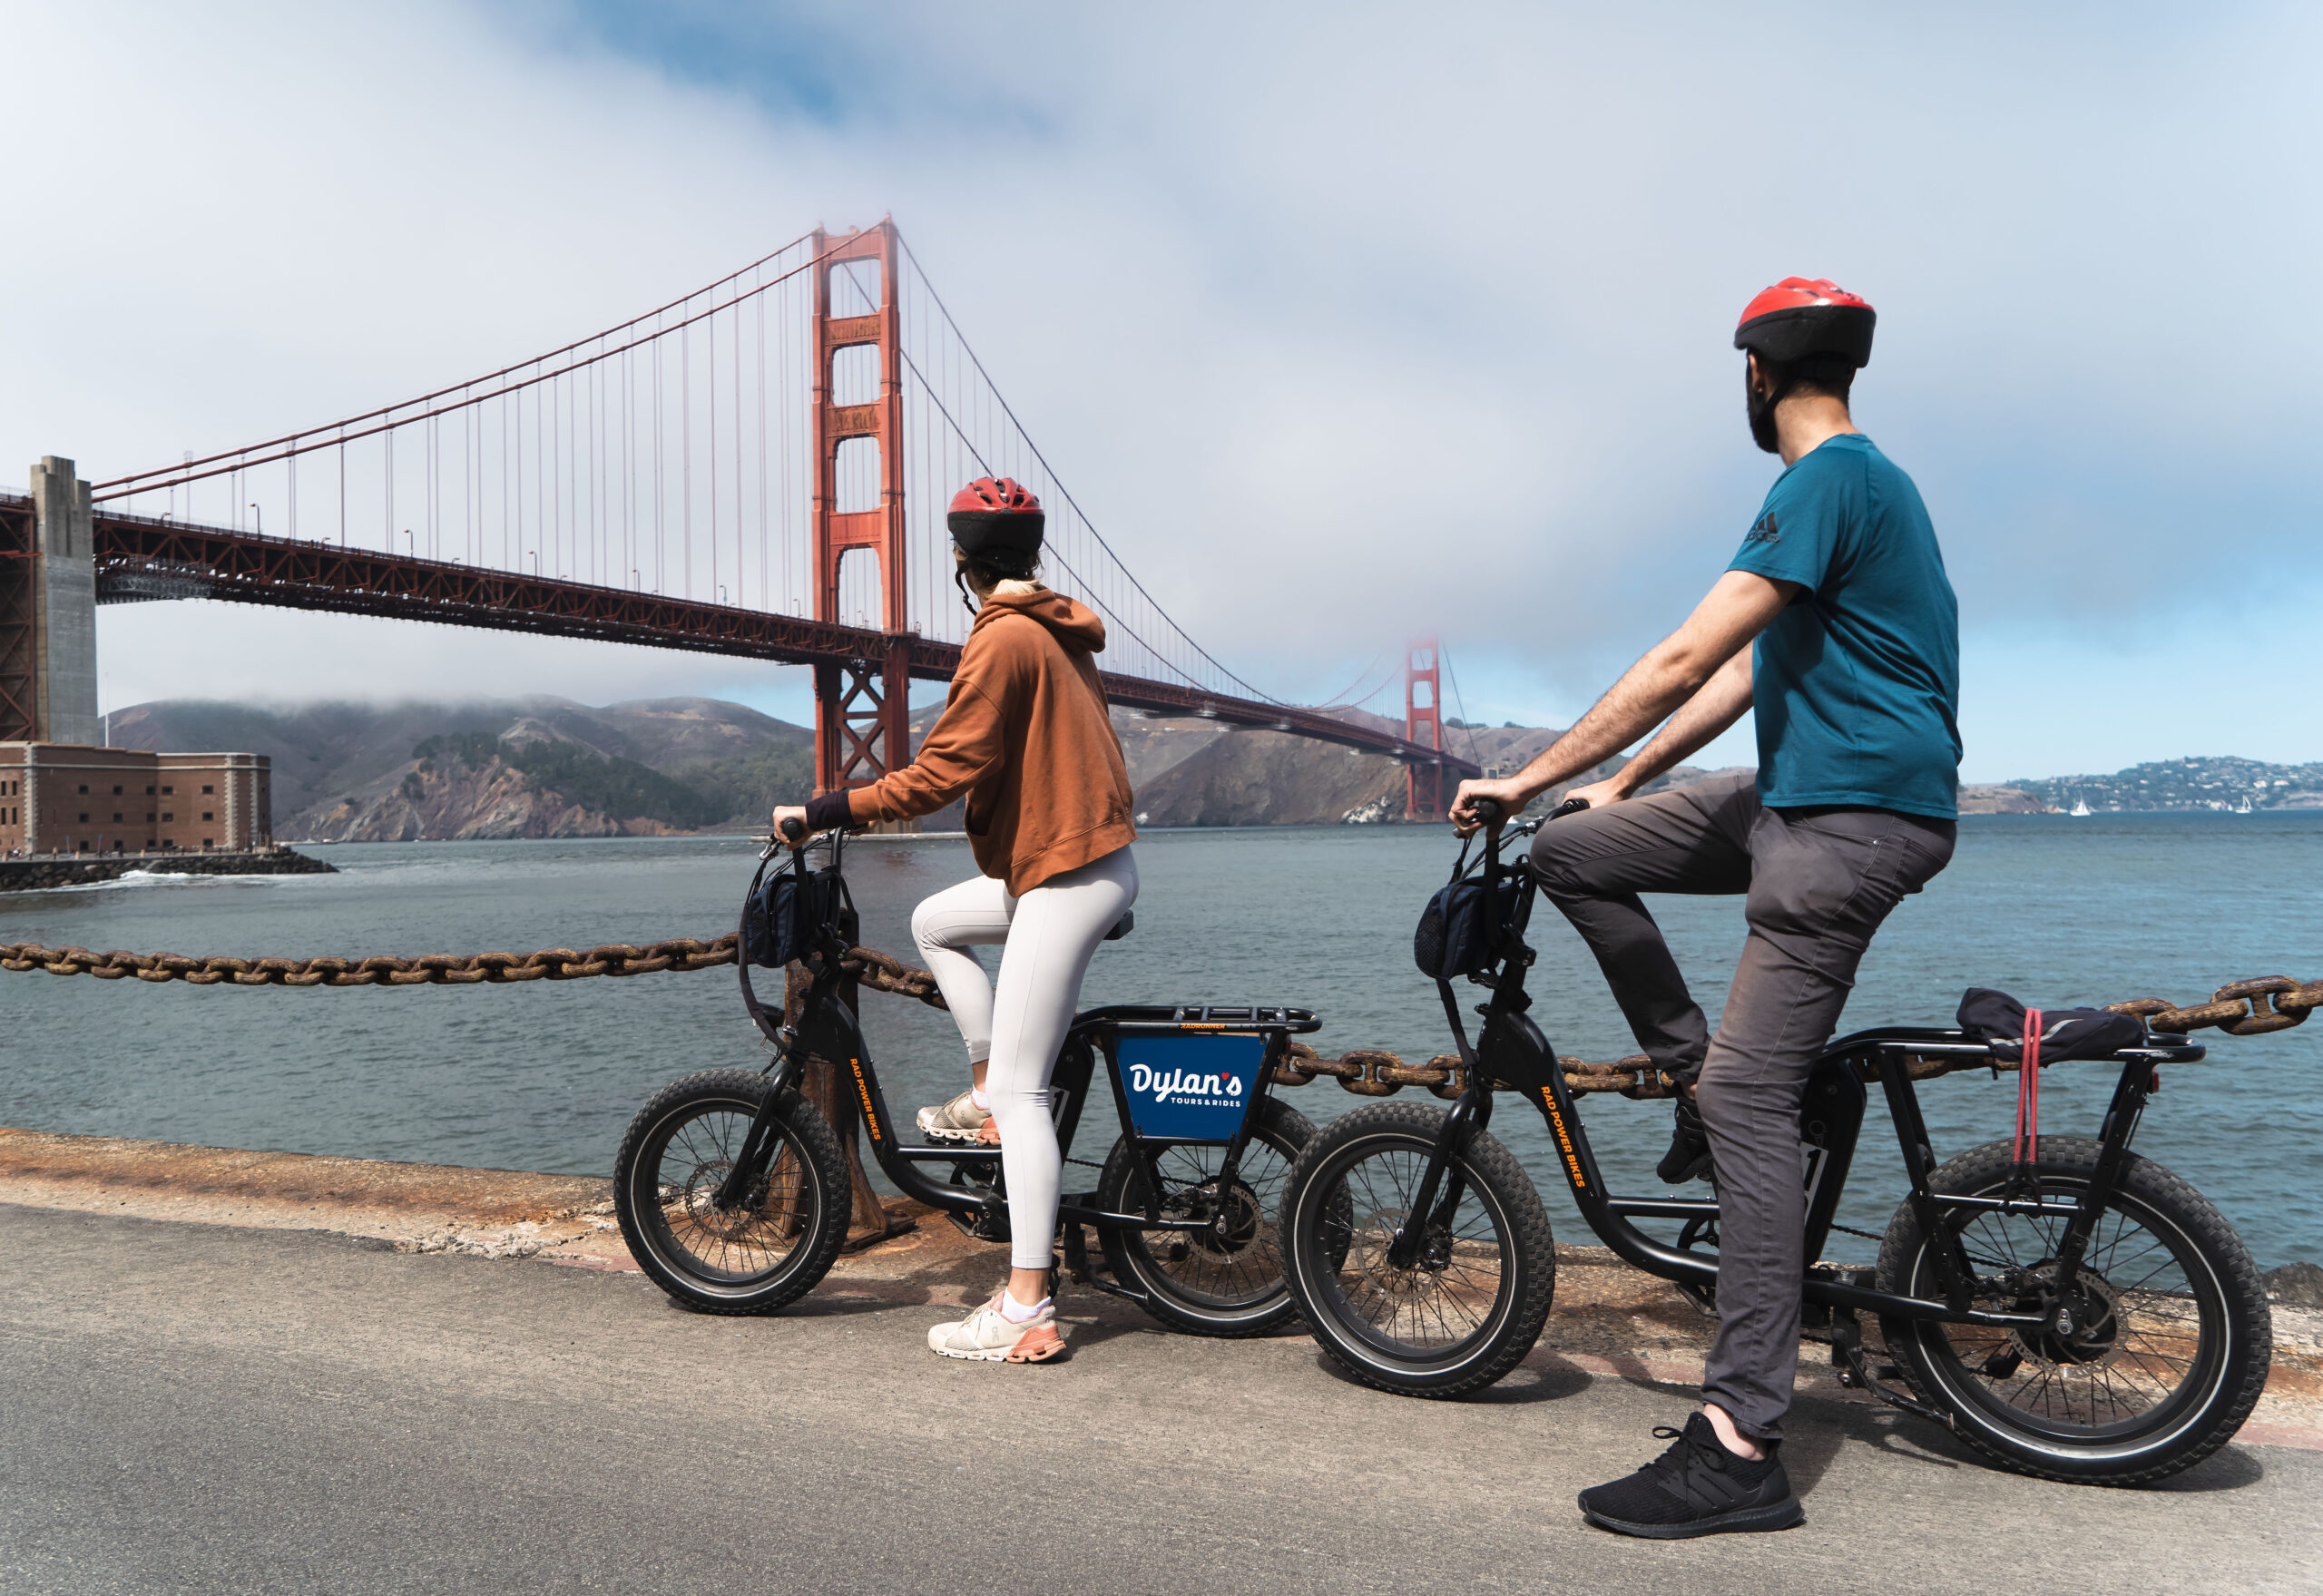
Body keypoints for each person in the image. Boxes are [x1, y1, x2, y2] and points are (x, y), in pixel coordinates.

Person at [1451, 278, 1960, 1538]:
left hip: (1847, 824)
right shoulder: (1855, 491)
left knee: (1751, 1097)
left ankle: (1739, 1442)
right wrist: (1614, 787)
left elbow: (1685, 650)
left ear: (1754, 375)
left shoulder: (1829, 480)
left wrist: (1529, 773)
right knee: (1580, 858)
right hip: (1798, 798)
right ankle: (1697, 1078)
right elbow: (1743, 670)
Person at [774, 475, 1138, 1366]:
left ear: (957, 559)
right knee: (938, 920)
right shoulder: (1053, 626)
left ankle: (1026, 1305)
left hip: (1066, 871)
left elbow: (939, 776)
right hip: (1078, 858)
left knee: (1025, 1099)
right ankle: (981, 1084)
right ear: (1030, 555)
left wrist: (823, 809)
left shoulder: (1002, 640)